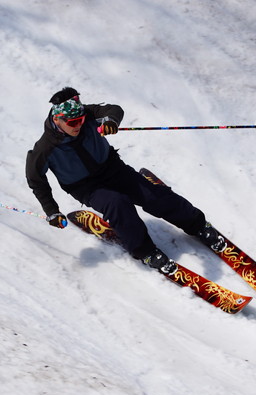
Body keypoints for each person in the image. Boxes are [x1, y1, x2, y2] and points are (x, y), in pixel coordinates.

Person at [25, 87, 224, 275]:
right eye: (72, 123)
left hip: (113, 169)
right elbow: (36, 180)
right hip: (87, 187)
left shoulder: (86, 116)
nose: (78, 125)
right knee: (118, 204)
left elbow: (113, 110)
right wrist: (52, 211)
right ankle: (144, 251)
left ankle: (197, 224)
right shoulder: (44, 149)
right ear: (57, 119)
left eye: (81, 120)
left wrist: (111, 121)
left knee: (153, 196)